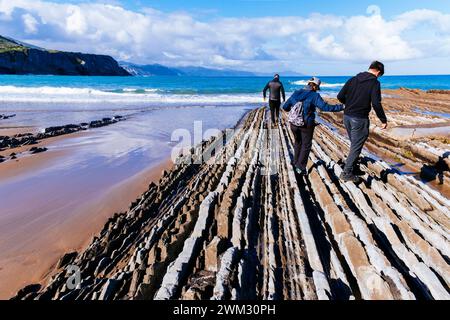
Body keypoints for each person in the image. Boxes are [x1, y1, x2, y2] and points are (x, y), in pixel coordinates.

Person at [337, 61, 388, 182]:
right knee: (356, 146)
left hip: (347, 117)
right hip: (359, 119)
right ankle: (347, 173)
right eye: (380, 75)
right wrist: (383, 120)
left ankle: (353, 168)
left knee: (355, 144)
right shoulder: (374, 83)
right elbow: (376, 103)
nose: (378, 77)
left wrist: (350, 104)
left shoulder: (353, 79)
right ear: (378, 72)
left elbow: (340, 96)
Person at [283, 77, 344, 175]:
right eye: (317, 87)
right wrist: (341, 107)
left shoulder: (296, 93)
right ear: (315, 86)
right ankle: (301, 168)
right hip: (306, 124)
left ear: (309, 84)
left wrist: (295, 112)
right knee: (306, 145)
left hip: (293, 123)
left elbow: (285, 107)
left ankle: (295, 162)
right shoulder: (314, 95)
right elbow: (325, 107)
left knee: (298, 142)